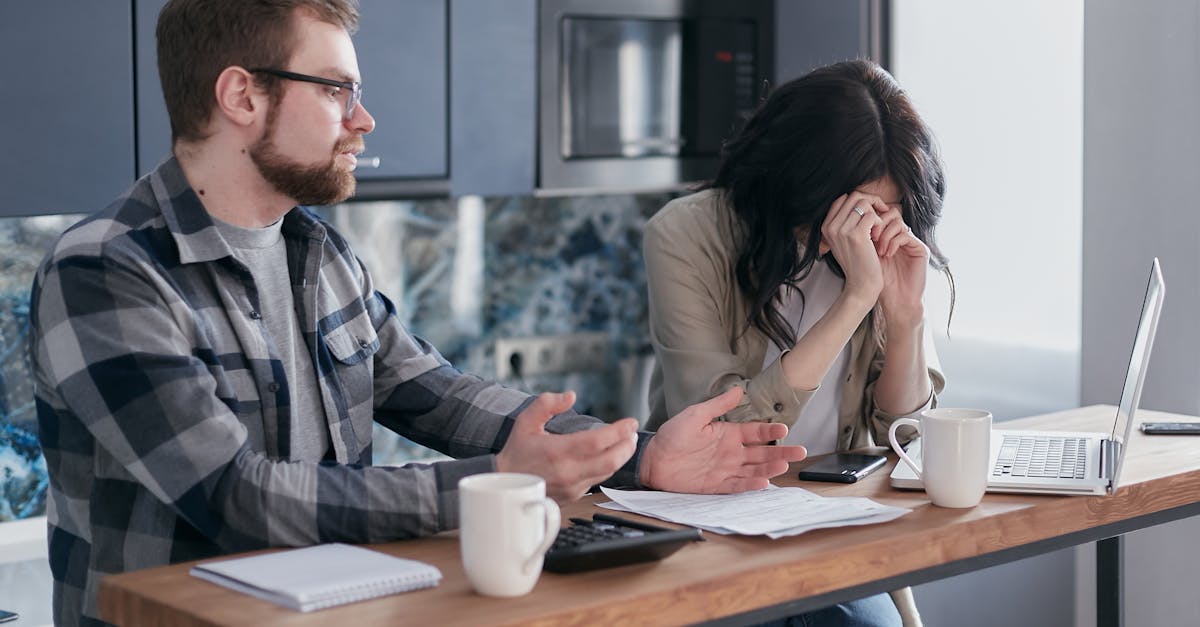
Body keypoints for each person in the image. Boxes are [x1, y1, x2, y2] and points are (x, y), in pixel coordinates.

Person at [28, 2, 807, 625]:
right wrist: (497, 483)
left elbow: (440, 394)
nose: (363, 118)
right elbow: (238, 496)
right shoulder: (106, 270)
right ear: (241, 95)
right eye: (336, 90)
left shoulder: (320, 254)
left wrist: (639, 458)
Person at [642, 60, 953, 627]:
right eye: (851, 211)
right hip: (709, 521)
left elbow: (907, 437)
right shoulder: (685, 234)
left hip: (829, 521)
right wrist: (855, 299)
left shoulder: (883, 247)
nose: (867, 230)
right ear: (796, 183)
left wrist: (906, 315)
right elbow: (715, 436)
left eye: (884, 212)